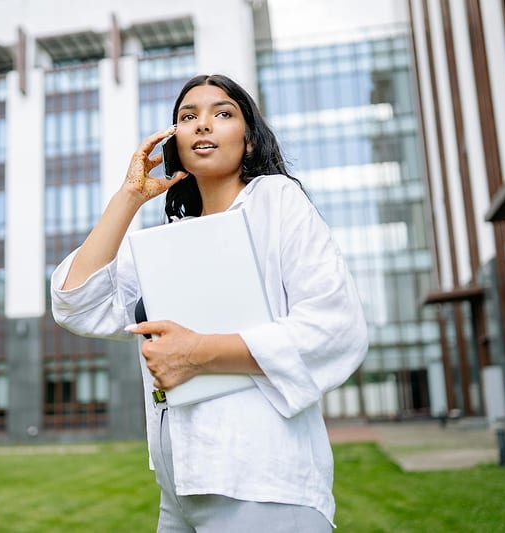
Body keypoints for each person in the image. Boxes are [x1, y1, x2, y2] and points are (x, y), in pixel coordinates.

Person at [51, 74, 367, 532]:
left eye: (222, 114)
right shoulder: (165, 244)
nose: (202, 125)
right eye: (188, 116)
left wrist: (197, 354)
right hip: (179, 493)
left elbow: (336, 326)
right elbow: (76, 303)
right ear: (175, 141)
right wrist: (129, 197)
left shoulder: (276, 202)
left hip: (264, 484)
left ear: (251, 141)